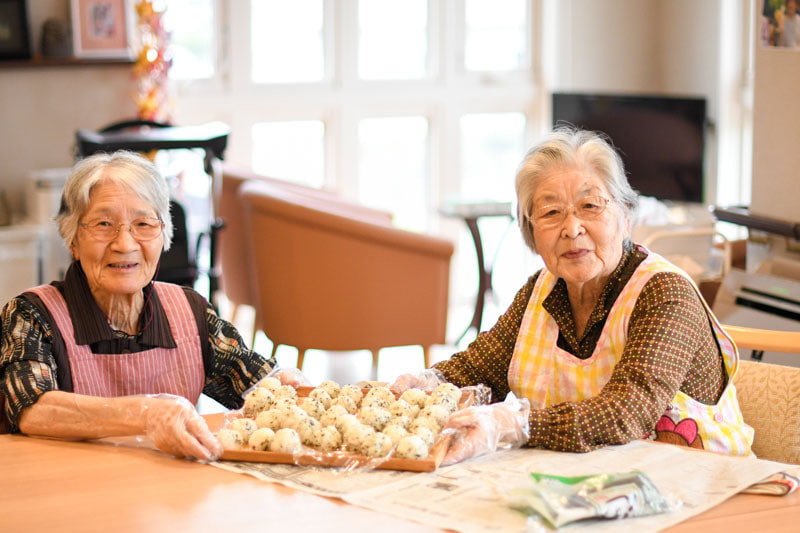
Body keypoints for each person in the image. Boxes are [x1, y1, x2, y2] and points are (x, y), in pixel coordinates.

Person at [394, 127, 753, 464]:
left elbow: (626, 410)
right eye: (551, 212)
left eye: (590, 206)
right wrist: (426, 383)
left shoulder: (664, 294)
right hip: (597, 487)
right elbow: (477, 368)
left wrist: (516, 423)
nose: (572, 228)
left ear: (626, 217)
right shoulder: (541, 291)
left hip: (704, 493)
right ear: (532, 235)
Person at [0, 151, 288, 461]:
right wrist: (148, 413)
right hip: (73, 492)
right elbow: (33, 408)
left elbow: (256, 384)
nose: (125, 244)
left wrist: (292, 388)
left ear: (163, 234)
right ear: (72, 240)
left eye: (143, 224)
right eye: (103, 224)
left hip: (169, 497)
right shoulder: (32, 314)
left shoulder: (189, 311)